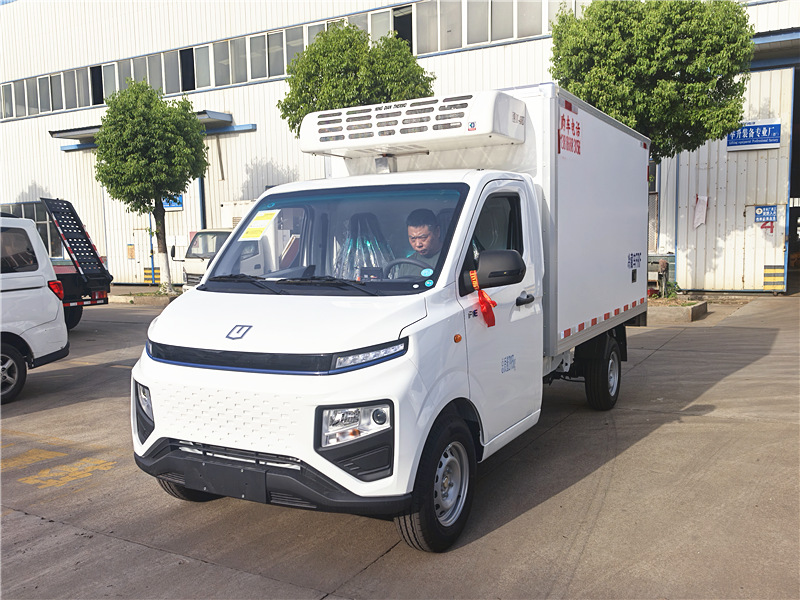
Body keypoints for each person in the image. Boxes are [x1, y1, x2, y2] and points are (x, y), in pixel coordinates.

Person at [395, 209, 443, 278]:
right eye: (413, 239)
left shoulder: (451, 257)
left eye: (423, 237)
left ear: (437, 232)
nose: (418, 244)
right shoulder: (407, 264)